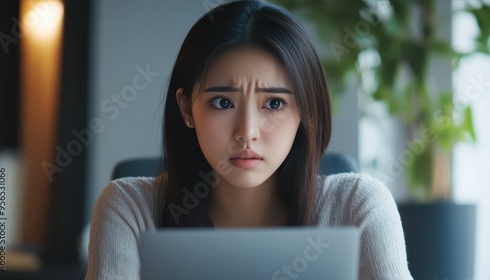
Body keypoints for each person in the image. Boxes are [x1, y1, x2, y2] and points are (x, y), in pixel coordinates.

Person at [85, 1, 413, 279]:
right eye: (223, 103)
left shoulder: (359, 208)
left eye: (274, 103)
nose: (246, 131)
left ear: (305, 110)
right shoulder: (127, 209)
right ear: (186, 107)